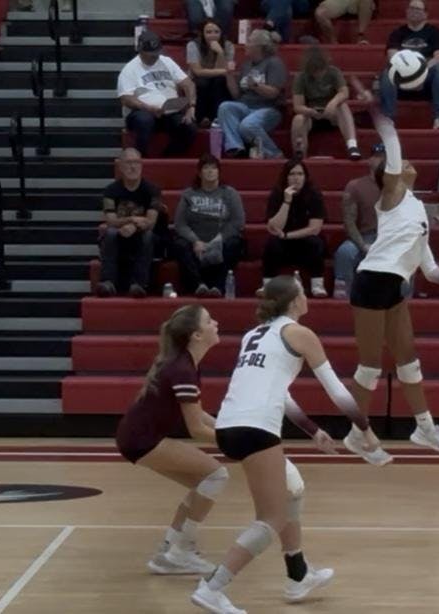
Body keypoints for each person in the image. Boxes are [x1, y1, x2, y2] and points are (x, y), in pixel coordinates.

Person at [190, 274, 383, 614]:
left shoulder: (254, 334)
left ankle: (298, 575)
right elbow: (337, 390)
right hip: (255, 427)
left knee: (292, 490)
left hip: (229, 425)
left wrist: (312, 430)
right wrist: (365, 429)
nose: (307, 297)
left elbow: (280, 392)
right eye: (303, 292)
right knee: (271, 518)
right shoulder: (300, 333)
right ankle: (212, 588)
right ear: (294, 301)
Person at [341, 76, 439, 466]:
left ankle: (424, 427)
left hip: (395, 286)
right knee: (369, 366)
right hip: (372, 280)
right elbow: (392, 142)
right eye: (401, 166)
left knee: (409, 361)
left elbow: (430, 271)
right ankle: (356, 433)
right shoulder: (392, 196)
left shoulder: (416, 210)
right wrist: (373, 105)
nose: (409, 164)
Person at [116, 304, 227, 575]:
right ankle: (182, 551)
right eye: (210, 321)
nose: (216, 324)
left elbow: (198, 414)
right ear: (196, 335)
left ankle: (169, 551)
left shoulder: (187, 364)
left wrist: (228, 428)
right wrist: (235, 442)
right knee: (216, 475)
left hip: (136, 438)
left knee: (203, 483)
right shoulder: (183, 369)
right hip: (143, 440)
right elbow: (196, 429)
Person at [173, 154, 246, 297]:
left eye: (214, 168)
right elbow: (180, 224)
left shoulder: (230, 194)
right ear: (199, 173)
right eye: (206, 168)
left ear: (219, 172)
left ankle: (219, 287)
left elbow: (238, 222)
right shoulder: (189, 194)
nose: (210, 171)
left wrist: (218, 240)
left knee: (235, 243)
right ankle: (199, 285)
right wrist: (195, 241)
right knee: (179, 244)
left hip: (221, 241)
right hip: (196, 242)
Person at [118, 31, 197, 157]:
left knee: (189, 127)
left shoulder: (167, 62)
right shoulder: (130, 69)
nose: (154, 57)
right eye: (150, 55)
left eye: (156, 54)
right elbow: (126, 98)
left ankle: (168, 158)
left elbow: (188, 84)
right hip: (141, 111)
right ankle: (142, 158)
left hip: (169, 111)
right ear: (140, 51)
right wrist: (148, 108)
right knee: (145, 120)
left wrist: (191, 106)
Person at [98, 148, 164, 298]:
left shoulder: (152, 190)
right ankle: (107, 282)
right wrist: (131, 220)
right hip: (119, 234)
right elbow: (110, 221)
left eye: (136, 163)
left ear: (141, 165)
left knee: (148, 235)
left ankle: (139, 284)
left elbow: (151, 222)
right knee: (109, 233)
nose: (132, 167)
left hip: (141, 234)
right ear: (120, 166)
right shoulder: (110, 191)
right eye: (128, 163)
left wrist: (133, 226)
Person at [380, 0, 439, 131]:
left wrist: (419, 74)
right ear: (406, 11)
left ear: (426, 14)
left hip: (426, 76)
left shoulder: (435, 32)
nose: (414, 11)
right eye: (411, 8)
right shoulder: (397, 33)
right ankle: (388, 120)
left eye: (418, 9)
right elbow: (392, 57)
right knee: (387, 72)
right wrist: (409, 75)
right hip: (402, 75)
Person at [260, 159, 329, 298]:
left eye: (300, 174)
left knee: (315, 242)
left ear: (305, 177)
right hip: (283, 244)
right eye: (292, 174)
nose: (296, 178)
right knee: (271, 244)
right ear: (286, 177)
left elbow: (314, 228)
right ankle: (268, 285)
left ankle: (317, 285)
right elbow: (274, 227)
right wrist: (287, 201)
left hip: (303, 241)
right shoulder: (277, 194)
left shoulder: (314, 194)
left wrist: (287, 235)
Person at [219, 29, 287, 159]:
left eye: (249, 41)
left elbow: (274, 93)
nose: (246, 45)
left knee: (247, 125)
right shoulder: (246, 65)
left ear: (259, 46)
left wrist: (256, 86)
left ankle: (275, 154)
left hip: (268, 108)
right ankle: (236, 147)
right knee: (225, 107)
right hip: (246, 106)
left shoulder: (274, 63)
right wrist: (228, 75)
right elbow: (236, 95)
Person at [290, 45, 360, 160]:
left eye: (320, 70)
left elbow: (344, 92)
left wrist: (332, 103)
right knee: (298, 119)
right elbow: (298, 106)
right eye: (314, 71)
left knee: (343, 106)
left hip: (333, 114)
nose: (318, 74)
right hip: (311, 115)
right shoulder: (301, 77)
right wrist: (311, 111)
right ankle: (300, 155)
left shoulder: (334, 72)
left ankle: (352, 145)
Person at [333, 143, 385, 298]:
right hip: (364, 236)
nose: (381, 161)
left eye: (384, 158)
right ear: (370, 160)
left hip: (390, 236)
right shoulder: (355, 186)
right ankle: (343, 294)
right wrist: (363, 245)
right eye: (377, 157)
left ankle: (403, 298)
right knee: (345, 251)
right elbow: (349, 221)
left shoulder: (399, 187)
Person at [187, 19, 236, 126]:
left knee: (220, 81)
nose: (213, 35)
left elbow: (221, 73)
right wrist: (225, 71)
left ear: (221, 33)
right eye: (208, 32)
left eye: (216, 32)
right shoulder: (192, 45)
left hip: (217, 80)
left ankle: (216, 117)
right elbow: (197, 71)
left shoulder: (228, 45)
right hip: (197, 80)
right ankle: (201, 117)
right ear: (202, 33)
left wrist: (220, 53)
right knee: (203, 82)